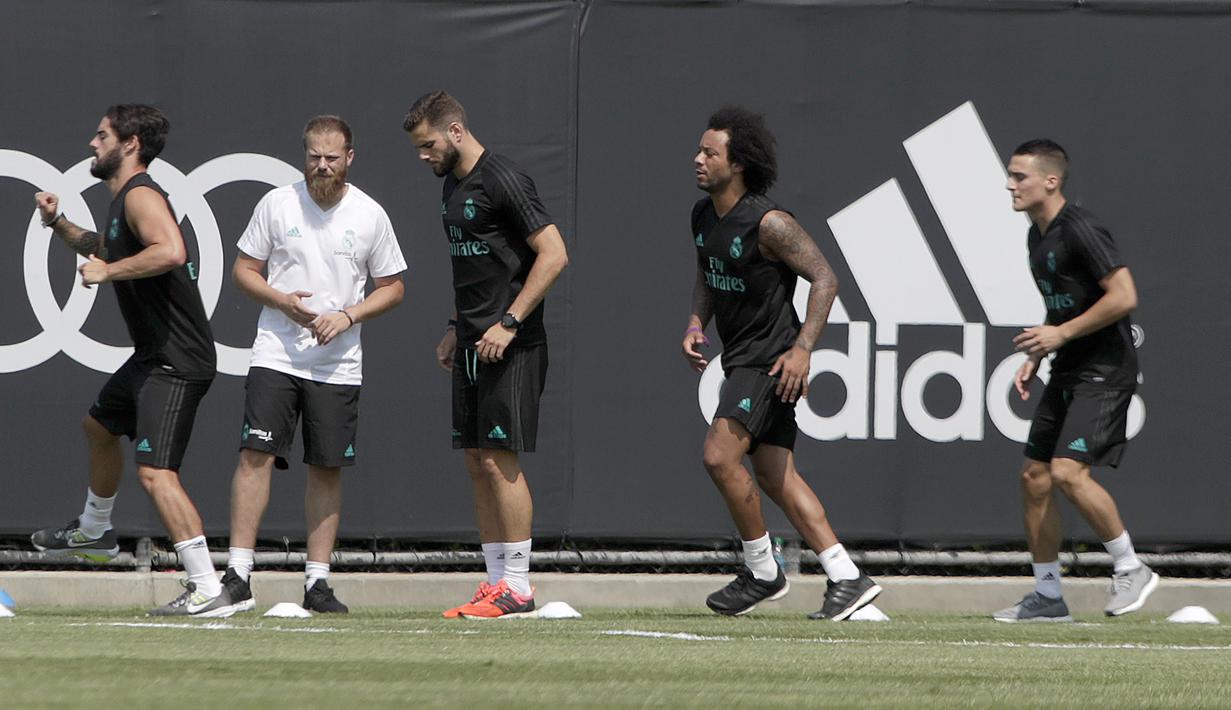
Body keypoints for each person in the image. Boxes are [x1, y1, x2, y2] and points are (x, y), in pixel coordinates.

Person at [30, 105, 232, 616]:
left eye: (102, 136)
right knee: (98, 427)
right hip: (152, 357)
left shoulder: (141, 195)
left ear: (131, 143)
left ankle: (208, 588)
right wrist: (57, 223)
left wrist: (108, 272)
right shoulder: (122, 201)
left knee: (156, 474)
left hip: (177, 360)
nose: (92, 143)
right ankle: (95, 530)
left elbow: (171, 251)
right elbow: (104, 246)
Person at [683, 106, 881, 620]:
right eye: (699, 150)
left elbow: (826, 278)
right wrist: (696, 322)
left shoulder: (770, 223)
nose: (698, 159)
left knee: (719, 458)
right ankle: (847, 576)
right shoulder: (703, 215)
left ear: (738, 163)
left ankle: (763, 571)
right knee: (776, 476)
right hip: (742, 358)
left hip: (769, 362)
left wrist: (803, 349)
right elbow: (708, 271)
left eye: (710, 152)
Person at [220, 116, 407, 614]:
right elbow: (243, 270)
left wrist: (348, 316)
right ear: (303, 156)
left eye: (332, 158)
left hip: (337, 365)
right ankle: (237, 575)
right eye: (313, 157)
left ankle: (317, 583)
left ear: (350, 158)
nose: (322, 166)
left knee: (326, 467)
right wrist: (281, 301)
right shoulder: (276, 203)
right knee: (254, 455)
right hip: (276, 353)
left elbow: (393, 287)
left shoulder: (369, 214)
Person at [403, 91, 568, 619]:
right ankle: (495, 582)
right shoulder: (451, 185)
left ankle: (518, 586)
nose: (423, 155)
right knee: (476, 462)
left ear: (455, 132)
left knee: (499, 460)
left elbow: (554, 254)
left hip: (512, 344)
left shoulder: (504, 178)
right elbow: (474, 270)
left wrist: (510, 322)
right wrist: (456, 326)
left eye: (428, 144)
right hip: (472, 343)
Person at [994, 139, 1156, 622]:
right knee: (1034, 477)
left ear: (1051, 181)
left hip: (1105, 370)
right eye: (1009, 175)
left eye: (1019, 176)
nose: (1009, 184)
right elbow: (1065, 304)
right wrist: (1042, 350)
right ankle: (1048, 597)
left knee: (1067, 471)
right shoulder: (1036, 236)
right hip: (1068, 366)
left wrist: (1060, 334)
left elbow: (1124, 295)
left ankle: (1131, 567)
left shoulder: (1080, 228)